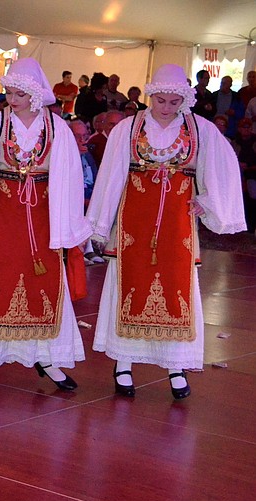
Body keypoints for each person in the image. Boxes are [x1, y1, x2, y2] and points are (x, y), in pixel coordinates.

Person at [86, 64, 246, 400]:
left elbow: (222, 166)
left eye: (174, 102)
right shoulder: (128, 128)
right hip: (133, 224)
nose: (167, 107)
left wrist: (208, 200)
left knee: (176, 291)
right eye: (161, 100)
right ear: (151, 95)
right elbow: (111, 176)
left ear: (184, 99)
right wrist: (100, 224)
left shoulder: (199, 129)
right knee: (129, 287)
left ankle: (176, 365)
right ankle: (124, 363)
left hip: (177, 226)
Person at [0, 58, 91, 395]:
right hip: (2, 219)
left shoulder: (57, 128)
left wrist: (69, 227)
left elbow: (70, 179)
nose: (12, 100)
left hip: (44, 220)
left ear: (35, 94)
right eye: (9, 93)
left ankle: (45, 357)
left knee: (43, 286)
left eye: (19, 94)